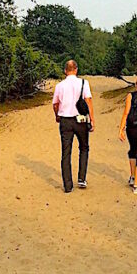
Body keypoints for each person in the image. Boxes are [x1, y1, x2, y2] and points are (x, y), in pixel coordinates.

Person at [51, 60, 96, 193]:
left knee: (66, 152)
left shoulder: (60, 85)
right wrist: (92, 119)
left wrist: (57, 115)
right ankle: (81, 178)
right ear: (76, 69)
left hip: (65, 120)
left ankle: (68, 185)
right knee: (84, 148)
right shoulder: (84, 83)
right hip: (80, 120)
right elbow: (88, 101)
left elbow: (55, 104)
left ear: (65, 70)